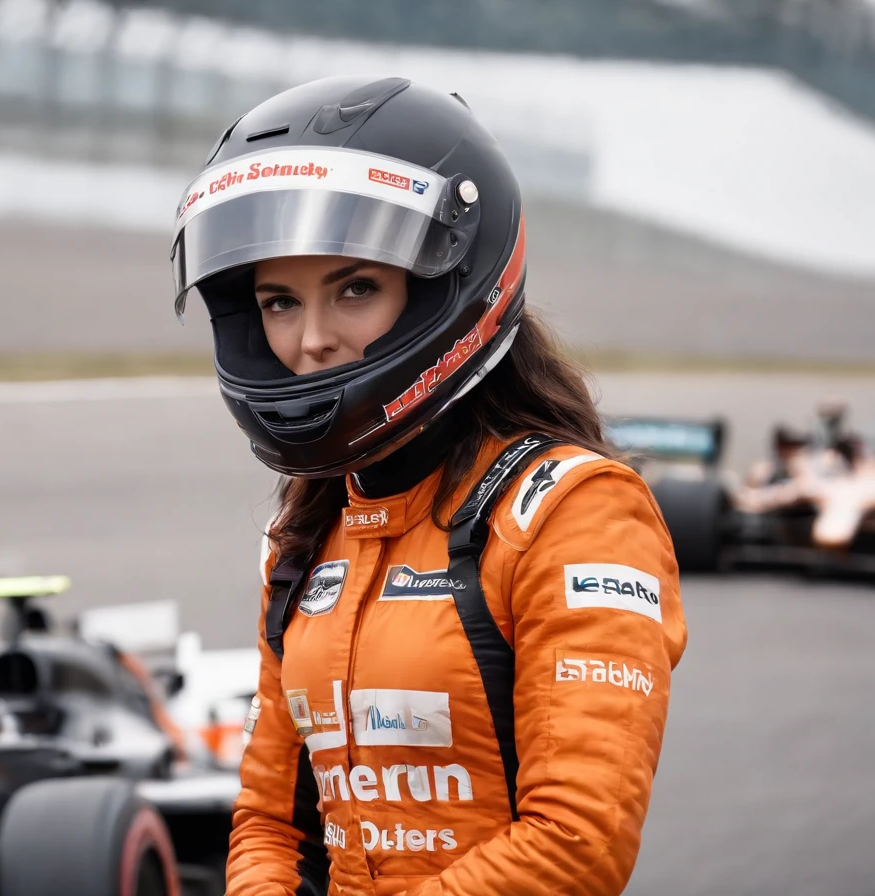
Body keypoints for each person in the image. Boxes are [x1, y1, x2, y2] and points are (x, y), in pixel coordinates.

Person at [170, 75, 688, 896]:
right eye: (278, 301)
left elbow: (576, 845)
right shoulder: (306, 535)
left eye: (356, 288)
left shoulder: (575, 512)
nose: (310, 341)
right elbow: (273, 823)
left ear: (445, 285)